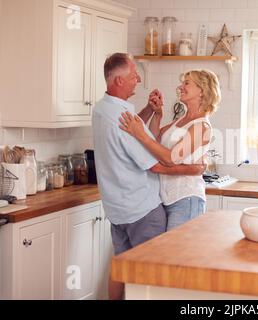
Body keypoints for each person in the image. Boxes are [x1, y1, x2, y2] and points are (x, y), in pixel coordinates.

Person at [92, 53, 205, 300]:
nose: (138, 79)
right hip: (141, 209)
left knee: (120, 267)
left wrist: (150, 111)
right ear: (119, 81)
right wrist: (193, 169)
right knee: (152, 274)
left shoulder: (102, 109)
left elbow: (133, 132)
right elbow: (156, 163)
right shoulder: (123, 117)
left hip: (117, 210)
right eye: (134, 76)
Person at [119, 69, 221, 231]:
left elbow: (170, 158)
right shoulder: (183, 119)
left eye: (186, 83)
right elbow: (155, 138)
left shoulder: (201, 125)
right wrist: (157, 114)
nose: (180, 87)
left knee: (176, 255)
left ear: (202, 90)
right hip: (167, 199)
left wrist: (139, 133)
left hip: (186, 199)